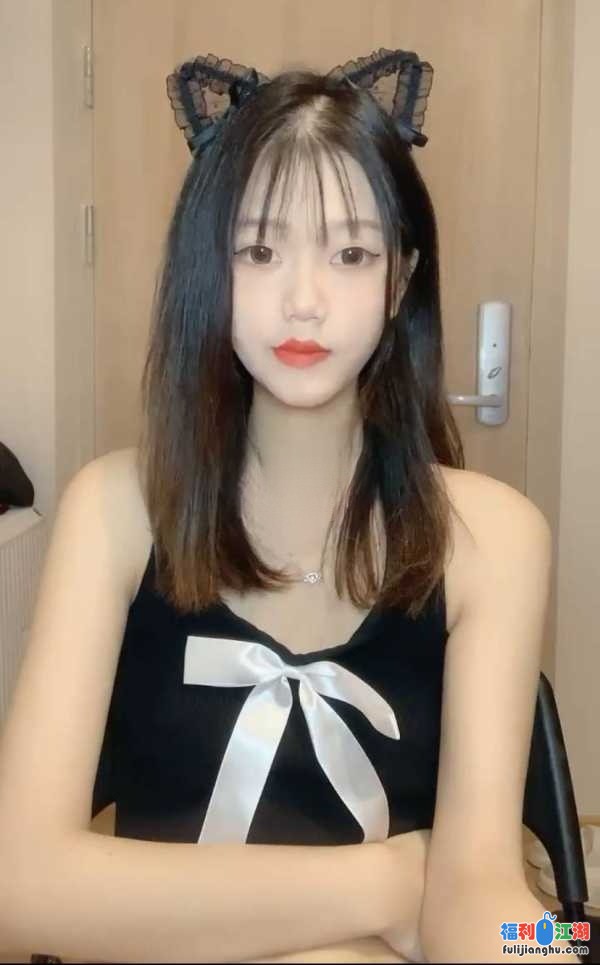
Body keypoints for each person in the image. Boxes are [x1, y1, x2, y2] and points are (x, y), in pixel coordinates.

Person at [0, 49, 561, 965]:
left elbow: (487, 895)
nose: (304, 301)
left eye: (351, 253)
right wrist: (387, 881)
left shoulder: (495, 536)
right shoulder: (113, 511)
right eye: (259, 251)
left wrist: (547, 945)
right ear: (209, 271)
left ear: (402, 278)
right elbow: (18, 890)